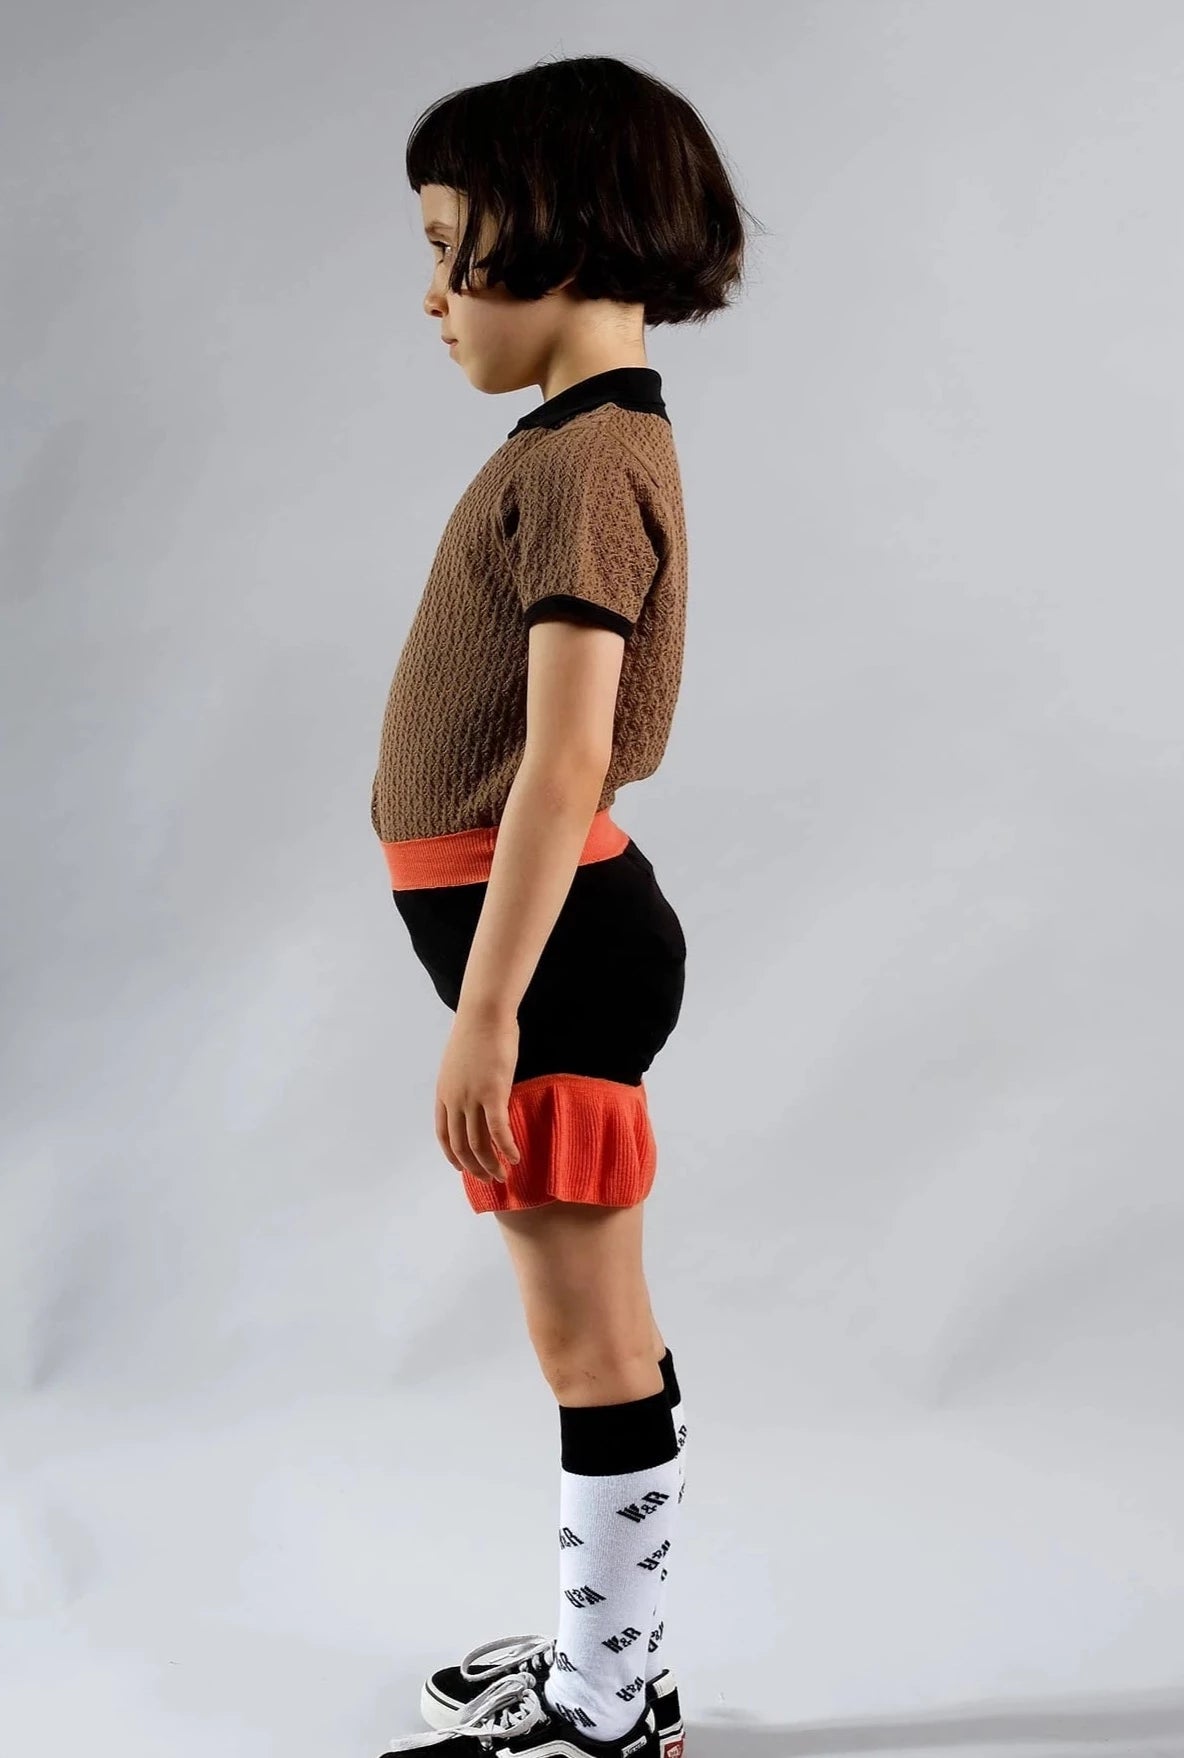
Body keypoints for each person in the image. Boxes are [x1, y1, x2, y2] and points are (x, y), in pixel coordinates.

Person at [369, 52, 760, 1758]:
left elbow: (564, 757)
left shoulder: (593, 458)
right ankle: (617, 1659)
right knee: (589, 1327)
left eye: (447, 247)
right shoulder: (576, 441)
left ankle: (606, 1711)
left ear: (557, 228)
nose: (433, 294)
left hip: (548, 958)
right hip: (541, 944)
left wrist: (487, 1008)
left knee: (583, 1340)